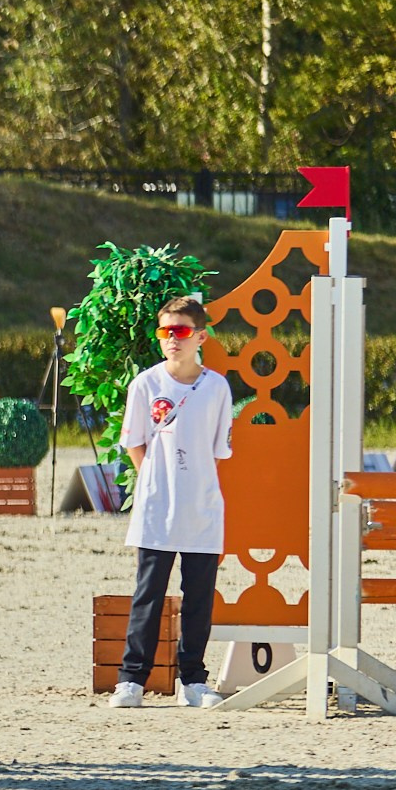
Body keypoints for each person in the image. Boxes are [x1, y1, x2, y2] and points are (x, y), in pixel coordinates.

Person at [109, 294, 233, 710]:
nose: (171, 340)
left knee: (199, 597)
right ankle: (131, 680)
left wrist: (189, 483)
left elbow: (217, 451)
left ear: (200, 336)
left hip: (202, 506)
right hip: (156, 506)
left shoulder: (217, 387)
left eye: (180, 332)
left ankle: (193, 681)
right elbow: (135, 443)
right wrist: (155, 482)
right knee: (149, 593)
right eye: (164, 332)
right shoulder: (145, 383)